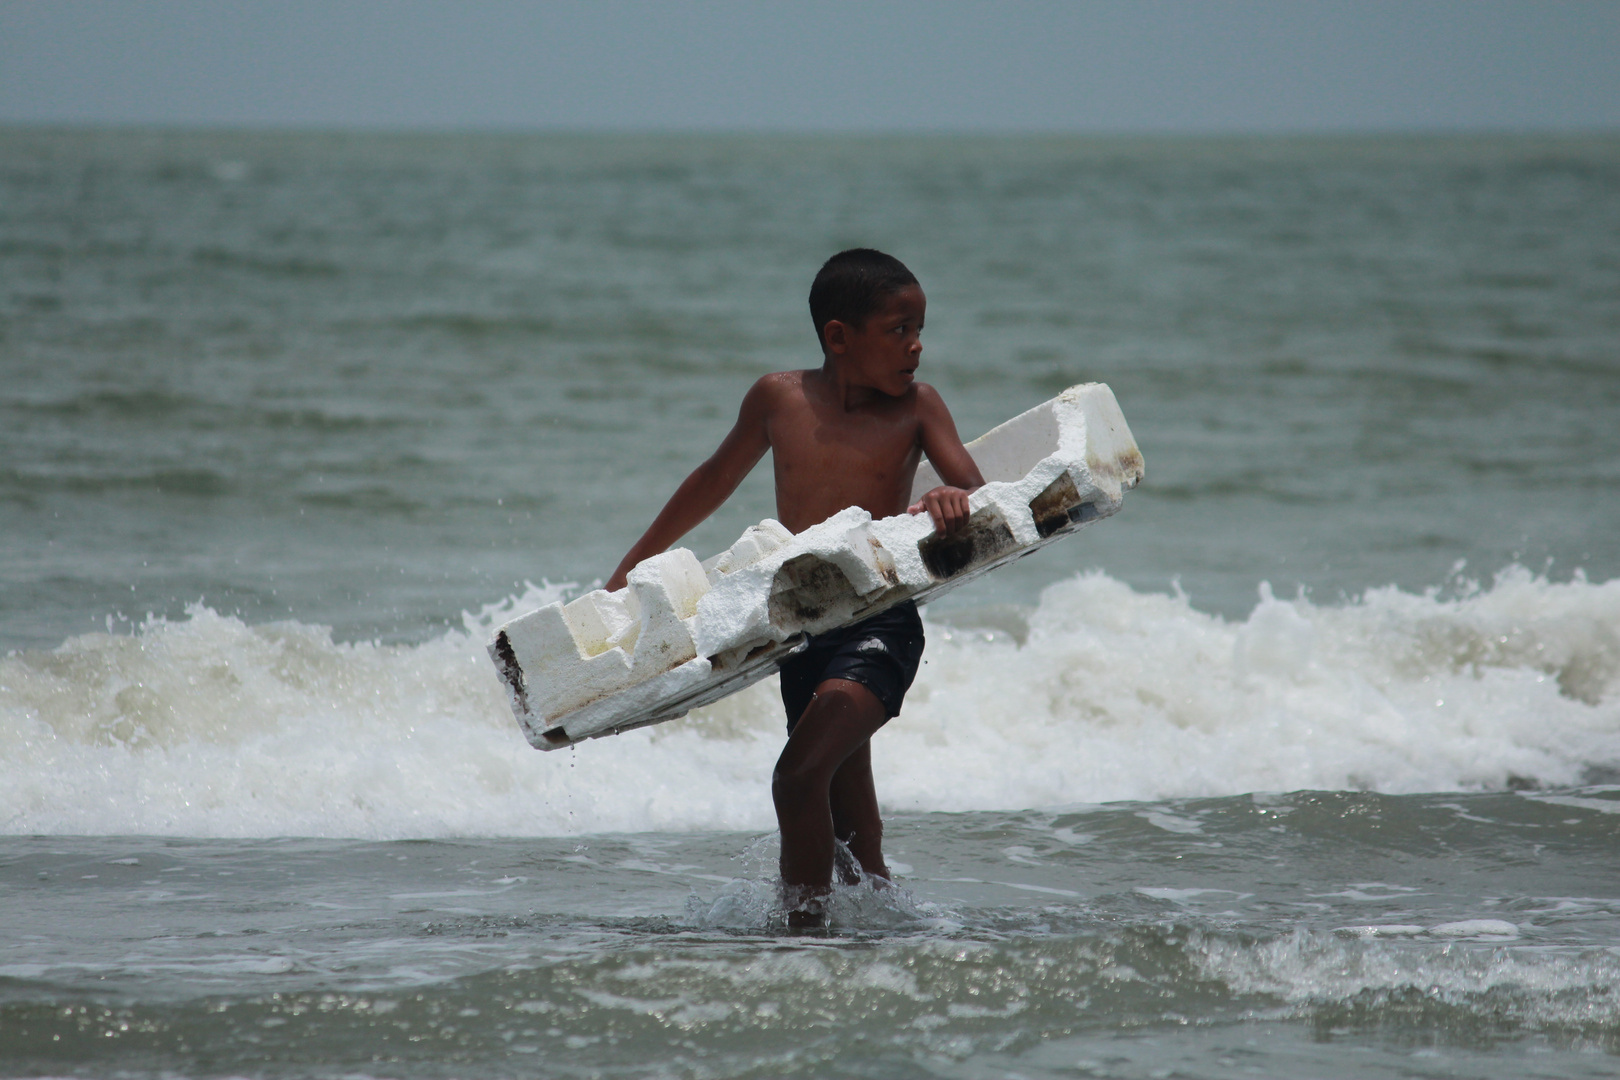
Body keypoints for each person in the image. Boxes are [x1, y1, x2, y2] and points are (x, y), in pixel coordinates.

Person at [605, 248, 985, 926]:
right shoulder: (778, 399)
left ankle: (803, 943)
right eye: (899, 329)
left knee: (798, 776)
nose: (917, 346)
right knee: (850, 830)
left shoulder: (919, 410)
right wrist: (634, 564)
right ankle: (884, 938)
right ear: (839, 338)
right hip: (802, 633)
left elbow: (977, 491)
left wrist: (947, 499)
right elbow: (714, 479)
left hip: (880, 626)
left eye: (920, 327)